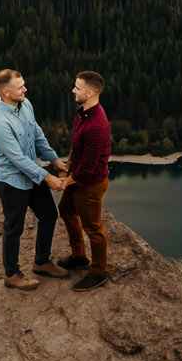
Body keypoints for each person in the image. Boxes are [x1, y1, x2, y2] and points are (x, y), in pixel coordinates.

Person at [0, 68, 69, 290]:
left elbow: (37, 133)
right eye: (20, 86)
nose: (25, 88)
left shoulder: (25, 103)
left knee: (49, 215)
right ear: (5, 91)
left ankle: (41, 262)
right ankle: (11, 274)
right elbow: (18, 160)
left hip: (32, 173)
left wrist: (54, 160)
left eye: (24, 84)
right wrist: (48, 178)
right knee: (14, 227)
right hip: (12, 180)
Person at [58, 70, 113, 292]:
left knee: (94, 228)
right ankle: (79, 256)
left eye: (77, 87)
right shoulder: (83, 112)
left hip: (90, 185)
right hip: (77, 178)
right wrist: (67, 167)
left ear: (90, 92)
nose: (73, 90)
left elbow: (89, 169)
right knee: (66, 210)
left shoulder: (96, 126)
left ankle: (98, 272)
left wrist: (65, 182)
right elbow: (75, 146)